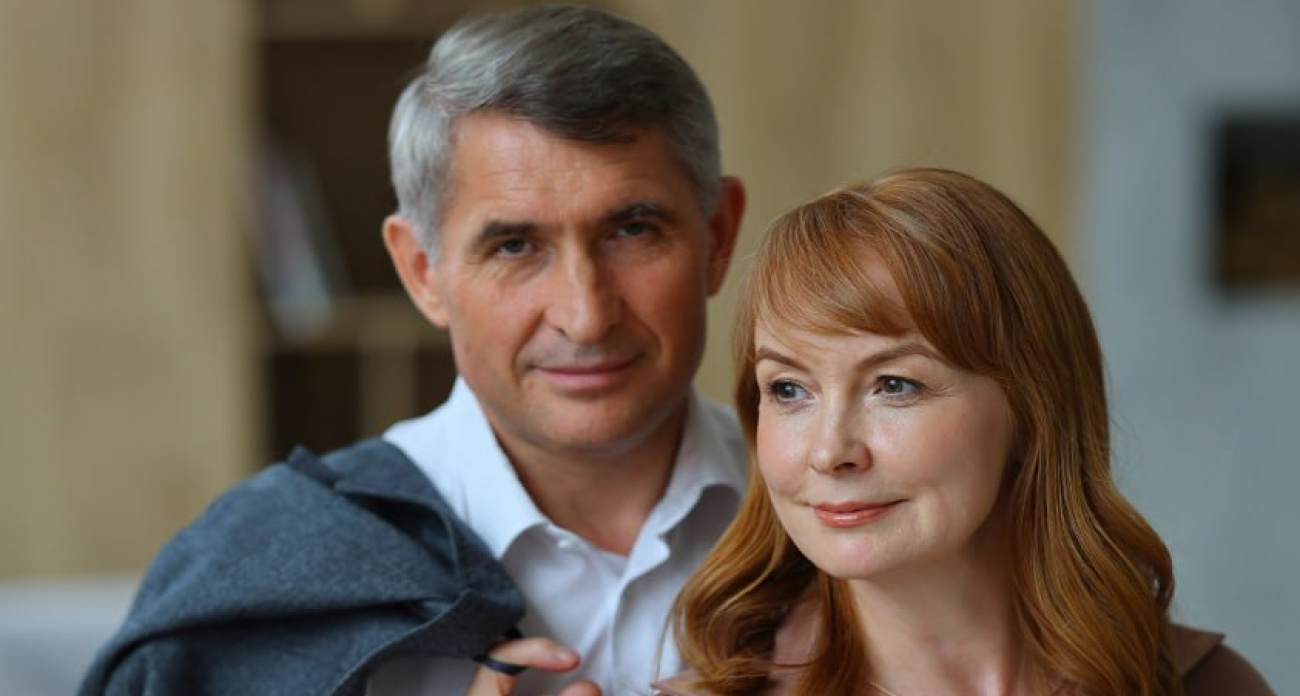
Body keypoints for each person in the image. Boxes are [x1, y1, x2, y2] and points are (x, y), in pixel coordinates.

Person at [79, 5, 747, 696]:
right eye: (515, 246)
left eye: (633, 230)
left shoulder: (817, 520)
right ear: (422, 271)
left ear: (719, 237)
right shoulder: (248, 568)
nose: (585, 316)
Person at [653, 169, 1275, 696]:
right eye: (789, 390)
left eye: (894, 384)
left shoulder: (1209, 685)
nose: (829, 451)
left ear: (1031, 408)